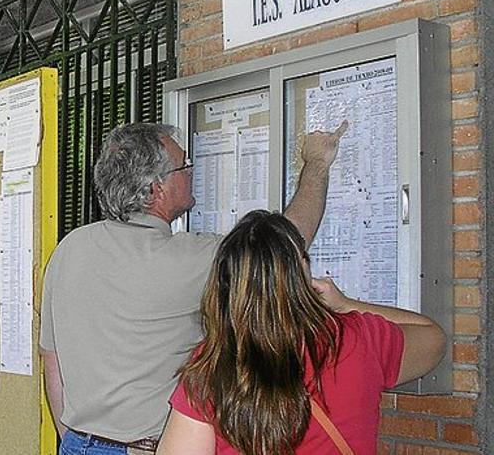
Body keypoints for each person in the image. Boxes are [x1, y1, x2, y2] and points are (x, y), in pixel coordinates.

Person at [40, 121, 347, 455]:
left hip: (76, 444)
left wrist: (76, 439)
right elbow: (287, 243)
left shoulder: (70, 248)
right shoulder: (190, 259)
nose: (191, 171)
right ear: (156, 188)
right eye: (183, 165)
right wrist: (316, 165)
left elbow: (52, 360)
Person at [157, 211, 446, 455]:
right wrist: (346, 305)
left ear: (226, 285)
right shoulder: (357, 338)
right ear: (301, 272)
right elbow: (433, 338)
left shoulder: (213, 364)